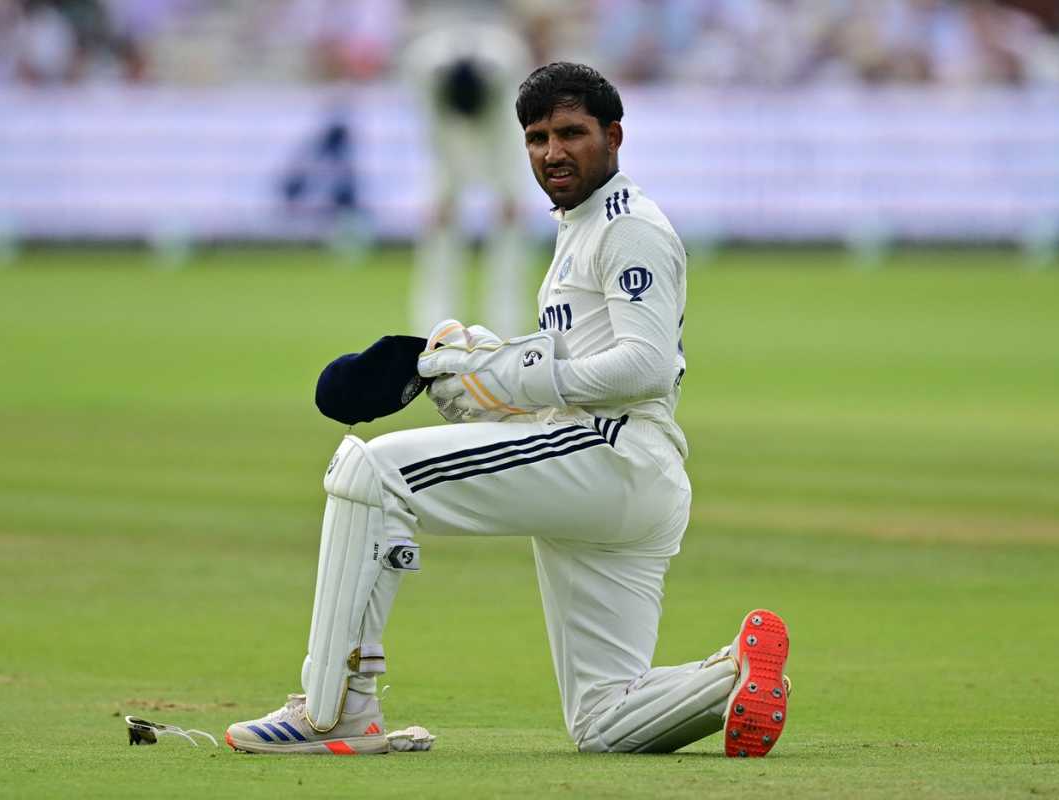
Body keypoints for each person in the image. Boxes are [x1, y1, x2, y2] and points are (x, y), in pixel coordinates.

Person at [225, 62, 791, 757]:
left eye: (571, 133)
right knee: (604, 723)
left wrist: (512, 376)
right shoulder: (579, 225)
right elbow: (576, 356)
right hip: (624, 475)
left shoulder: (629, 227)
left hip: (612, 453)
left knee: (370, 474)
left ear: (614, 136)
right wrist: (480, 365)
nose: (552, 152)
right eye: (536, 137)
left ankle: (335, 708)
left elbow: (645, 367)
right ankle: (735, 674)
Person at [401, 10, 532, 339]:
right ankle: (434, 324)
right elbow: (432, 129)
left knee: (510, 226)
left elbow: (512, 132)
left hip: (499, 136)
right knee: (439, 227)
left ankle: (507, 324)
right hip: (448, 136)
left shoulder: (507, 63)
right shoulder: (423, 67)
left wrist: (508, 191)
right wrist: (443, 189)